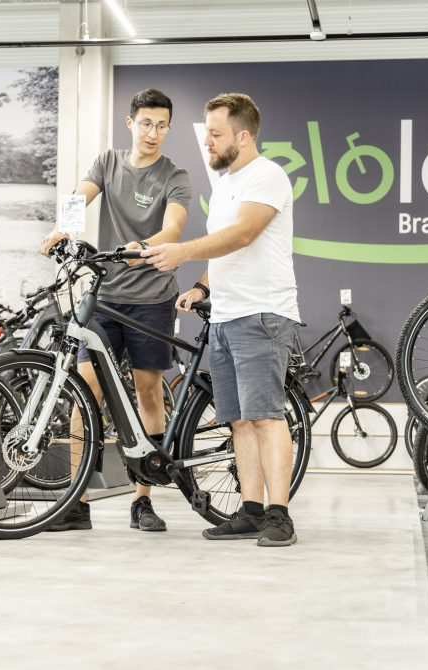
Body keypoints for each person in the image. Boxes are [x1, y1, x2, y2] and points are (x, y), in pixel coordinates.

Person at [142, 93, 300, 547]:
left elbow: (243, 234)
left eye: (215, 133)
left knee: (266, 416)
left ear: (243, 136)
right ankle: (251, 511)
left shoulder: (267, 176)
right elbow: (226, 248)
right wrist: (202, 287)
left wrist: (182, 251)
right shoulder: (227, 183)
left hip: (261, 313)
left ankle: (280, 515)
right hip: (227, 315)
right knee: (239, 421)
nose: (207, 141)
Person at [40, 88, 191, 533]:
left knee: (148, 392)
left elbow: (174, 227)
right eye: (145, 123)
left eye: (161, 125)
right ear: (130, 123)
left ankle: (143, 500)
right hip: (104, 297)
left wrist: (142, 247)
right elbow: (79, 195)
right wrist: (62, 228)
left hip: (153, 298)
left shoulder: (175, 175)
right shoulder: (108, 163)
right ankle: (76, 502)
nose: (153, 133)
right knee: (86, 392)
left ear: (168, 128)